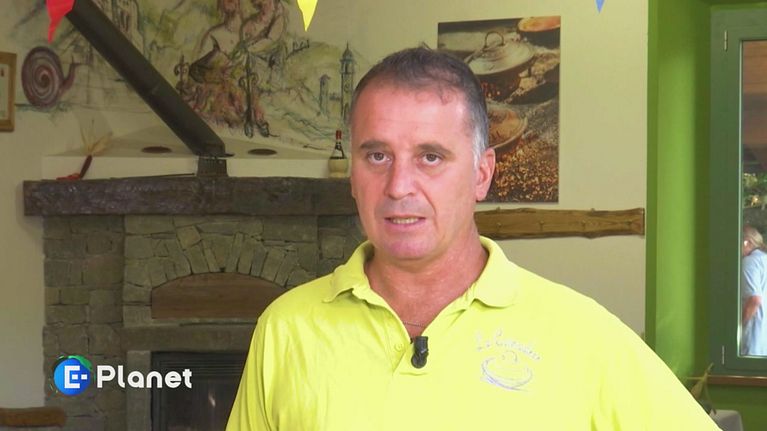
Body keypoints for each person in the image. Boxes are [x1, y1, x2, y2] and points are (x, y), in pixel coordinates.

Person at [226, 47, 720, 430]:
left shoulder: (583, 334)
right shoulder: (285, 329)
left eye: (431, 157)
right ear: (352, 174)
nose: (398, 186)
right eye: (377, 156)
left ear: (482, 174)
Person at [741, 225, 767, 356]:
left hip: (752, 338)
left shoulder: (750, 262)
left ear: (747, 242)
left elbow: (754, 299)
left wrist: (738, 326)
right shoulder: (764, 259)